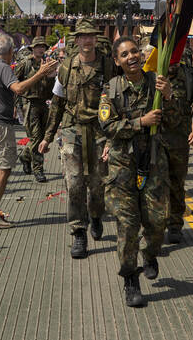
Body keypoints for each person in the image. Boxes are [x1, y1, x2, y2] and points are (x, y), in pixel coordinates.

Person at [99, 37, 173, 307]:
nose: (131, 56)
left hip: (153, 161)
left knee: (157, 221)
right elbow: (107, 127)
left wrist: (169, 96)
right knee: (128, 225)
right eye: (124, 54)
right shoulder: (111, 90)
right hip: (123, 165)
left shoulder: (157, 83)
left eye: (134, 52)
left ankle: (149, 252)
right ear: (117, 61)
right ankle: (130, 278)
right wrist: (140, 122)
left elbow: (176, 122)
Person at [39, 19, 115, 258]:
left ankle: (95, 215)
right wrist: (48, 137)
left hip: (100, 132)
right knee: (74, 184)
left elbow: (118, 101)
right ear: (77, 40)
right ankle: (78, 233)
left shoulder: (108, 66)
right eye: (83, 36)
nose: (87, 40)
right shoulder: (66, 68)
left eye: (91, 35)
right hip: (72, 130)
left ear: (95, 38)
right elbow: (57, 105)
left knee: (98, 184)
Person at [0, 34, 58, 229]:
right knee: (3, 171)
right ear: (10, 52)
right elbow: (19, 88)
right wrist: (40, 73)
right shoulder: (3, 68)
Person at [161, 52, 193, 244]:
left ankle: (174, 225)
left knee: (175, 184)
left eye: (176, 59)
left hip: (178, 141)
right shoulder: (148, 75)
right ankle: (153, 225)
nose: (172, 63)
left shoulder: (189, 78)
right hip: (151, 140)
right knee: (151, 186)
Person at [14, 37, 55, 183]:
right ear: (32, 48)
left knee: (42, 137)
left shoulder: (48, 63)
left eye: (43, 46)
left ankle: (25, 156)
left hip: (44, 103)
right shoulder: (25, 64)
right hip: (29, 104)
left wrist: (51, 75)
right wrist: (15, 105)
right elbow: (15, 84)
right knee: (37, 138)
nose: (40, 49)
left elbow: (53, 86)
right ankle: (38, 169)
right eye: (38, 46)